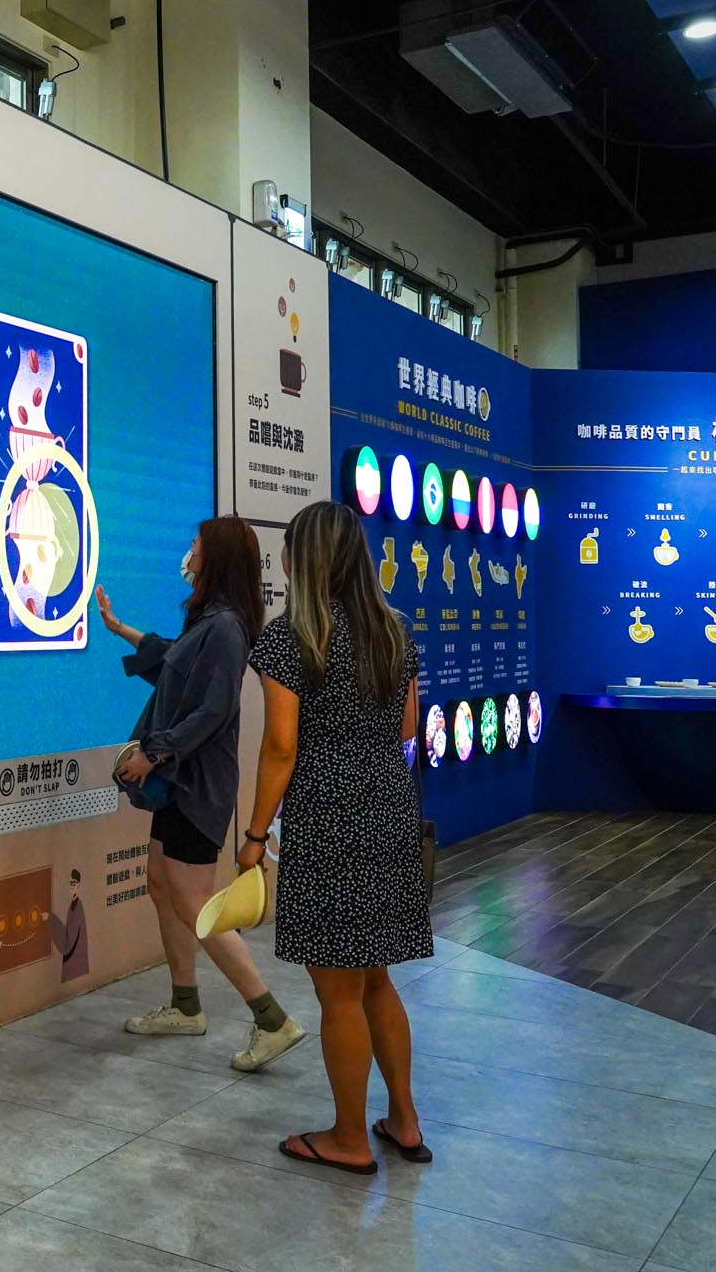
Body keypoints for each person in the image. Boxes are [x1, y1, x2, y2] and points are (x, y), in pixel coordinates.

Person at [237, 500, 433, 1175]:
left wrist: (254, 836)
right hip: (390, 807)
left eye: (289, 548)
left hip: (328, 816)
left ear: (303, 558)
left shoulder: (291, 638)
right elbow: (407, 727)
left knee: (338, 992)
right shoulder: (394, 630)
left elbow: (280, 747)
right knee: (375, 977)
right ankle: (403, 1119)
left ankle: (349, 1137)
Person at [96, 515, 305, 1073]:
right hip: (180, 781)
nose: (188, 552)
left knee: (192, 901)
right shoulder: (209, 621)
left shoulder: (227, 628)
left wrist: (154, 753)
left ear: (216, 558)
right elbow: (174, 668)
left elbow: (211, 711)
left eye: (195, 544)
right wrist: (121, 629)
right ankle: (185, 1005)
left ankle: (271, 1019)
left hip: (196, 784)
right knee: (161, 881)